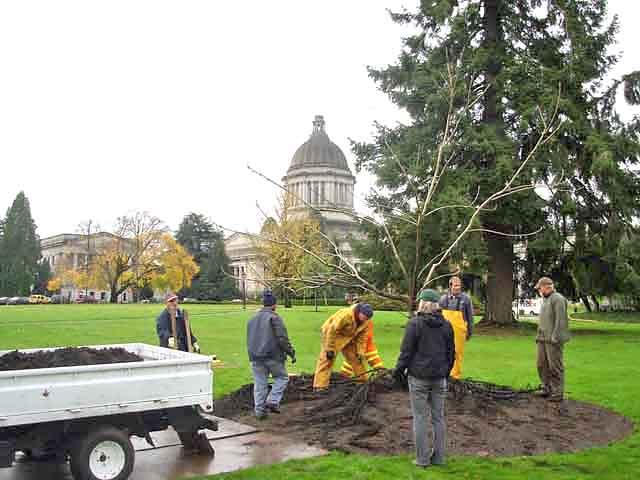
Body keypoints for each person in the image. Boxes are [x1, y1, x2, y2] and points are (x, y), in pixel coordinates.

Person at [394, 289, 455, 468]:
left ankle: (422, 460)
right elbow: (452, 354)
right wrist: (446, 372)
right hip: (439, 378)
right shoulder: (447, 325)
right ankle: (438, 458)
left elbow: (405, 352)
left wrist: (397, 372)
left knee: (420, 418)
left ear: (421, 303)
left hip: (418, 377)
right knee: (438, 418)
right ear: (437, 305)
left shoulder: (415, 324)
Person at [247, 290, 296, 419]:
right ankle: (273, 401)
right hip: (272, 356)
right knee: (282, 378)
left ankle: (259, 412)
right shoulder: (274, 317)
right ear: (274, 305)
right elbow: (282, 338)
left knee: (260, 384)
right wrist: (291, 353)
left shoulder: (252, 319)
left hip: (255, 357)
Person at [313, 302, 374, 390]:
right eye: (364, 317)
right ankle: (320, 387)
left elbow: (362, 338)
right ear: (359, 312)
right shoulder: (345, 315)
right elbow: (332, 331)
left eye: (367, 318)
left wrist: (360, 351)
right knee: (327, 360)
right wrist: (329, 349)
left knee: (357, 359)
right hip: (332, 336)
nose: (365, 320)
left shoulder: (366, 322)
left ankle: (362, 382)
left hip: (349, 337)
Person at [535, 277, 570, 412]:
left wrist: (556, 337)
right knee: (541, 364)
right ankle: (547, 387)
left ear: (547, 286)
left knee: (555, 366)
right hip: (542, 338)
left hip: (553, 339)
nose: (539, 290)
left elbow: (561, 320)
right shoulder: (545, 300)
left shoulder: (558, 299)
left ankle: (557, 392)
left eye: (540, 288)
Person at [439, 276, 473, 379]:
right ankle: (443, 373)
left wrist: (469, 332)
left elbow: (470, 317)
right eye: (455, 286)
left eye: (459, 285)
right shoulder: (443, 299)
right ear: (450, 286)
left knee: (457, 353)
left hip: (460, 332)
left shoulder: (466, 299)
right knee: (443, 352)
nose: (458, 288)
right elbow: (439, 315)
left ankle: (455, 376)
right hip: (445, 330)